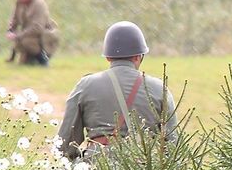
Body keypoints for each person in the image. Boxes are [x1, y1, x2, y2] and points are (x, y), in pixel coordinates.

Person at [57, 21, 177, 160]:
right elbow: (172, 146)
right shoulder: (159, 89)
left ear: (108, 57)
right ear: (139, 56)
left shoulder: (86, 86)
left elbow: (65, 144)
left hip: (97, 169)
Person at [6, 0, 59, 66]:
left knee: (26, 40)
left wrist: (18, 35)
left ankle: (43, 60)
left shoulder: (39, 4)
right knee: (25, 62)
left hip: (43, 36)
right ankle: (28, 58)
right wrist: (10, 30)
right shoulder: (20, 2)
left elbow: (38, 28)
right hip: (29, 35)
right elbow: (14, 19)